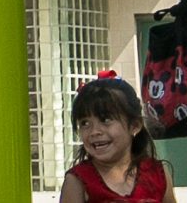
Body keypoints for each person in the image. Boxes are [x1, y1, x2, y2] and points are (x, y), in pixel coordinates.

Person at [59, 73, 176, 203]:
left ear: (135, 126)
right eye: (85, 123)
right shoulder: (77, 181)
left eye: (105, 120)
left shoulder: (157, 174)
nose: (94, 131)